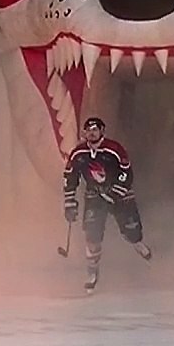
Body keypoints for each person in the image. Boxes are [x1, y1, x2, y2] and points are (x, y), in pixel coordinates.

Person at [62, 116, 152, 294]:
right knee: (92, 235)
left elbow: (126, 172)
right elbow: (70, 177)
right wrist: (70, 202)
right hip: (94, 196)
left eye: (95, 129)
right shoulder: (78, 153)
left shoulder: (114, 149)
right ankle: (92, 273)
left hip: (121, 196)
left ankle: (137, 243)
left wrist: (115, 192)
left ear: (102, 131)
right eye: (88, 130)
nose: (92, 133)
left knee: (131, 232)